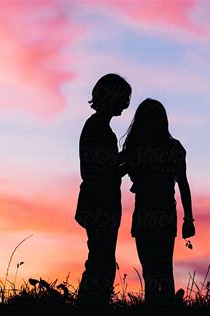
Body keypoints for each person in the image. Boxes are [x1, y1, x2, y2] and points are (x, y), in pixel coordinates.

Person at [122, 98, 196, 307]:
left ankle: (157, 306)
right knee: (162, 269)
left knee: (152, 271)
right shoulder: (172, 148)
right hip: (162, 215)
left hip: (147, 215)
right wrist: (188, 218)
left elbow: (183, 184)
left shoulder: (136, 149)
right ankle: (165, 306)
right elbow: (183, 184)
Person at [75, 73, 131, 308]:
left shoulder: (98, 127)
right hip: (99, 203)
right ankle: (91, 305)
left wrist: (122, 161)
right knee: (101, 261)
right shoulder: (97, 128)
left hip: (97, 203)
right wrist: (126, 162)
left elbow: (103, 166)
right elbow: (98, 170)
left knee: (100, 259)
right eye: (123, 99)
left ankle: (92, 304)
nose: (125, 105)